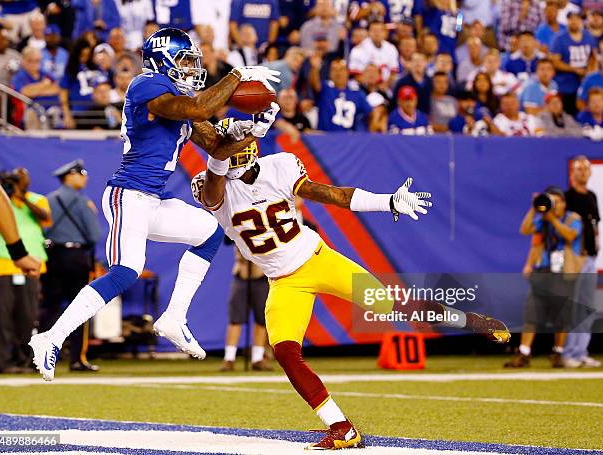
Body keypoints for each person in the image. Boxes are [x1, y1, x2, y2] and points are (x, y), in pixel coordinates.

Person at [191, 119, 508, 450]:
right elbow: (213, 193)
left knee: (399, 306)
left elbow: (332, 194)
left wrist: (387, 202)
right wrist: (219, 150)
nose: (227, 152)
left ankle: (473, 321)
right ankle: (341, 427)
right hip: (283, 282)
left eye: (231, 146)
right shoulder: (209, 184)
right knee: (285, 352)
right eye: (223, 147)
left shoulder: (280, 165)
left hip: (317, 259)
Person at [28, 27, 281, 382]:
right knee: (126, 272)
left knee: (209, 232)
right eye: (185, 60)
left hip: (152, 199)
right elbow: (197, 107)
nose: (192, 68)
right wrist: (237, 75)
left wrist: (253, 131)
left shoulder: (180, 98)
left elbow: (219, 149)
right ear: (163, 60)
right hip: (127, 193)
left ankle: (175, 317)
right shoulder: (147, 86)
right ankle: (50, 338)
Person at [506, 187, 584, 368]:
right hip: (543, 272)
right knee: (532, 313)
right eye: (551, 202)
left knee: (562, 317)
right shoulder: (544, 220)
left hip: (564, 273)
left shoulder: (573, 219)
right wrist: (534, 208)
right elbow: (525, 229)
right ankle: (524, 354)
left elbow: (570, 235)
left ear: (563, 203)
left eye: (557, 201)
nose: (554, 206)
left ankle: (558, 353)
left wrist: (553, 220)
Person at [41, 160, 102, 373]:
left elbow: (44, 232)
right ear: (70, 176)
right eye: (82, 173)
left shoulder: (48, 201)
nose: (85, 177)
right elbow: (94, 235)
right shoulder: (82, 202)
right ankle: (77, 359)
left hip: (53, 257)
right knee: (79, 308)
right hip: (76, 258)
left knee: (49, 307)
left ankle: (41, 356)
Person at [0, 168, 51, 374]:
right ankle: (2, 362)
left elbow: (45, 218)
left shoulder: (37, 199)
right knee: (3, 317)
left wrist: (22, 198)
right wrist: (5, 198)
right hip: (2, 264)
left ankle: (26, 360)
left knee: (28, 316)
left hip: (31, 263)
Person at [563, 156, 601, 368]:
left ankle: (580, 351)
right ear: (572, 173)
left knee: (587, 307)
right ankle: (568, 352)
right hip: (574, 258)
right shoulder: (567, 198)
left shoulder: (592, 196)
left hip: (590, 258)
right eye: (579, 169)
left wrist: (595, 247)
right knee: (572, 306)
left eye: (586, 168)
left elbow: (594, 226)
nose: (583, 172)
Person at [221, 246, 272, 372]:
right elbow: (227, 239)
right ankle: (229, 358)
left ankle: (257, 358)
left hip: (261, 276)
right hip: (241, 275)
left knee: (261, 319)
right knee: (235, 318)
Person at [309, 58, 382, 132]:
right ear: (330, 73)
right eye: (334, 70)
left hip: (348, 140)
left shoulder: (357, 93)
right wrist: (315, 68)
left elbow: (370, 113)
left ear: (347, 72)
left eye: (341, 69)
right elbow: (315, 84)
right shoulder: (325, 88)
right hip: (326, 137)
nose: (338, 73)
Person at [0, 175, 40, 276]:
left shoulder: (36, 199)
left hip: (29, 254)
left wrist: (23, 198)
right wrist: (19, 253)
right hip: (2, 259)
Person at [550, 11, 597, 116]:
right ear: (567, 21)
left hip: (585, 83)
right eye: (571, 19)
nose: (574, 22)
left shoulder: (588, 36)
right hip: (565, 85)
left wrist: (588, 72)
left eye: (577, 19)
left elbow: (593, 57)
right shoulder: (559, 38)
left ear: (581, 21)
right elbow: (555, 62)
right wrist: (575, 70)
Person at [348, 21, 399, 90]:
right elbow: (356, 75)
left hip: (384, 87)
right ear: (368, 33)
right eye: (374, 31)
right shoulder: (358, 49)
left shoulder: (391, 48)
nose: (376, 33)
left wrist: (384, 85)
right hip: (363, 87)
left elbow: (393, 72)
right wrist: (370, 88)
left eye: (379, 31)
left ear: (385, 33)